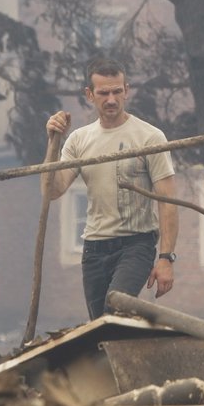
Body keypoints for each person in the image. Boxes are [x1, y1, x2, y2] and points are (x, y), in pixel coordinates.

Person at [44, 57, 178, 319]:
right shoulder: (79, 140)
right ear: (89, 95)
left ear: (126, 91)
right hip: (94, 247)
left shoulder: (149, 137)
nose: (112, 100)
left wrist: (166, 258)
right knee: (101, 326)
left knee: (115, 311)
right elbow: (52, 191)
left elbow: (168, 201)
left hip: (136, 244)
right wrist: (53, 143)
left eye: (117, 91)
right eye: (104, 93)